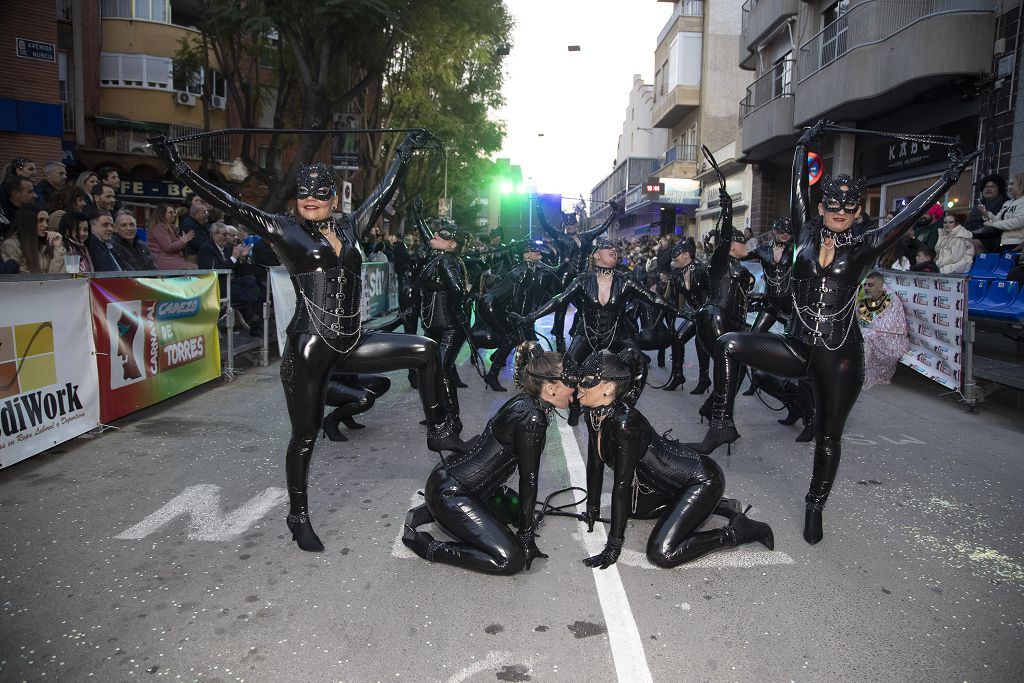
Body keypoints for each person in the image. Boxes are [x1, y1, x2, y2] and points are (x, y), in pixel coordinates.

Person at [149, 131, 467, 552]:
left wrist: (405, 151)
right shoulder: (282, 229)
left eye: (320, 192)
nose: (310, 198)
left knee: (424, 351)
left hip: (351, 339)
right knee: (304, 435)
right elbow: (231, 204)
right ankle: (297, 515)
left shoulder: (352, 225)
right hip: (309, 346)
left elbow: (386, 187)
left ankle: (439, 430)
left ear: (334, 198)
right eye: (303, 193)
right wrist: (178, 168)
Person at [685, 119, 976, 546]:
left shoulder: (867, 244)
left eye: (849, 207)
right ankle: (723, 422)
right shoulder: (803, 229)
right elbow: (798, 187)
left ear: (858, 211)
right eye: (833, 205)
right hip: (798, 343)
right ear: (822, 208)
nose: (839, 211)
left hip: (840, 355)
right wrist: (804, 143)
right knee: (729, 345)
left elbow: (912, 213)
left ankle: (815, 504)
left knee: (828, 436)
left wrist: (947, 178)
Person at [576, 349, 773, 569]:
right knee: (633, 510)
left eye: (585, 382)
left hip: (703, 480)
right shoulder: (595, 413)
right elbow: (595, 463)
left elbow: (621, 486)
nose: (579, 388)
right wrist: (591, 508)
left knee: (662, 554)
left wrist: (613, 546)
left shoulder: (624, 423)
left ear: (608, 388)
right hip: (665, 484)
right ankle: (716, 506)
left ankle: (738, 531)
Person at [403, 343, 575, 575]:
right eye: (570, 386)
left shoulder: (528, 401)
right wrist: (525, 539)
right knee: (511, 559)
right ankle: (430, 547)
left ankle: (433, 510)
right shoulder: (532, 417)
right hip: (452, 493)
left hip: (456, 480)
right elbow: (528, 481)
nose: (574, 392)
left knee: (522, 514)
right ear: (551, 389)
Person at [514, 236, 679, 425]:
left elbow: (653, 298)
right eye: (607, 248)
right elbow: (559, 300)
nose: (613, 250)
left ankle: (627, 406)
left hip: (617, 332)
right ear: (596, 256)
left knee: (638, 361)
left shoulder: (625, 280)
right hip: (588, 332)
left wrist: (680, 311)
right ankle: (576, 407)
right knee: (569, 366)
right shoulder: (584, 280)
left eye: (615, 248)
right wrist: (531, 316)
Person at [693, 188, 755, 414]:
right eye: (741, 241)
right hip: (714, 318)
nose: (745, 243)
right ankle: (720, 416)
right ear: (731, 245)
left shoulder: (740, 266)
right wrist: (727, 211)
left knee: (735, 369)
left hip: (732, 320)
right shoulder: (720, 261)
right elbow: (726, 234)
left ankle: (713, 409)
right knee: (729, 366)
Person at [411, 199, 471, 429]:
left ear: (451, 244)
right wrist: (418, 216)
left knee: (442, 372)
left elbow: (456, 290)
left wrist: (456, 314)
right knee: (432, 372)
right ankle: (438, 416)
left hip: (448, 328)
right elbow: (430, 239)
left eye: (441, 235)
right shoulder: (440, 256)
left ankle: (453, 421)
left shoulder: (446, 261)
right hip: (435, 326)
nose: (435, 236)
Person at [536, 199, 621, 352]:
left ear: (576, 224)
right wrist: (538, 208)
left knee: (586, 308)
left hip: (582, 278)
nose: (570, 227)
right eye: (567, 225)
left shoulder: (585, 237)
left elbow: (602, 228)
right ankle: (560, 339)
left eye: (572, 224)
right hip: (564, 278)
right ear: (565, 225)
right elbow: (545, 225)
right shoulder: (560, 236)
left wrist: (614, 212)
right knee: (561, 308)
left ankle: (581, 335)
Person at [478, 240, 560, 391]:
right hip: (490, 304)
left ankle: (525, 373)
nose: (538, 252)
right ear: (526, 255)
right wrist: (519, 318)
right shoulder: (521, 272)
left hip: (498, 305)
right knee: (512, 338)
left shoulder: (532, 268)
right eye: (534, 250)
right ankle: (493, 374)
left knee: (520, 337)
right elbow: (515, 299)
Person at [661, 239, 710, 392]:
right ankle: (677, 375)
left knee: (700, 342)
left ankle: (704, 378)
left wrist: (707, 310)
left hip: (708, 314)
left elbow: (713, 293)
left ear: (687, 255)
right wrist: (671, 325)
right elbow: (674, 303)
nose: (674, 260)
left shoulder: (703, 269)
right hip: (694, 315)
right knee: (677, 339)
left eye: (677, 256)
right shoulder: (676, 275)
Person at [859, 272, 909, 391]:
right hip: (874, 334)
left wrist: (865, 323)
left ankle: (860, 376)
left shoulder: (892, 300)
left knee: (864, 335)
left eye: (870, 285)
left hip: (891, 340)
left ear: (881, 287)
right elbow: (861, 319)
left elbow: (889, 326)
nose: (866, 288)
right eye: (865, 285)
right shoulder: (866, 300)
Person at [1, 204, 65, 273]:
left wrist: (58, 248)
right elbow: (21, 278)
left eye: (47, 221)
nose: (45, 225)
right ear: (28, 222)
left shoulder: (47, 244)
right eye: (40, 220)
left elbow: (58, 277)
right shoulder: (11, 245)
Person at [979, 173, 1024, 252]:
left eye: (1012, 184)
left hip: (1018, 243)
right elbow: (997, 219)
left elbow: (1018, 222)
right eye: (1009, 184)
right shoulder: (1008, 203)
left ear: (1021, 184)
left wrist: (993, 224)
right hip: (1004, 242)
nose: (1009, 187)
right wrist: (986, 213)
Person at [967, 173, 1008, 253]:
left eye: (992, 186)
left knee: (969, 244)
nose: (988, 189)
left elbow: (997, 226)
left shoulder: (1004, 204)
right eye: (986, 187)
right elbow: (969, 223)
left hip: (991, 239)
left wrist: (975, 232)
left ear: (999, 189)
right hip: (972, 236)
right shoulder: (977, 205)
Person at [147, 203, 197, 269]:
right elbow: (169, 247)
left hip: (171, 260)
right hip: (163, 261)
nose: (174, 215)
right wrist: (182, 241)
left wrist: (182, 241)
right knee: (195, 268)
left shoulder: (170, 228)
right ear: (162, 214)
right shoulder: (159, 227)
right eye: (171, 212)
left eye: (174, 212)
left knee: (197, 268)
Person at [84, 206, 123, 271]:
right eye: (105, 225)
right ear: (91, 226)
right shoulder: (92, 245)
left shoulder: (104, 244)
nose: (110, 229)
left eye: (111, 225)